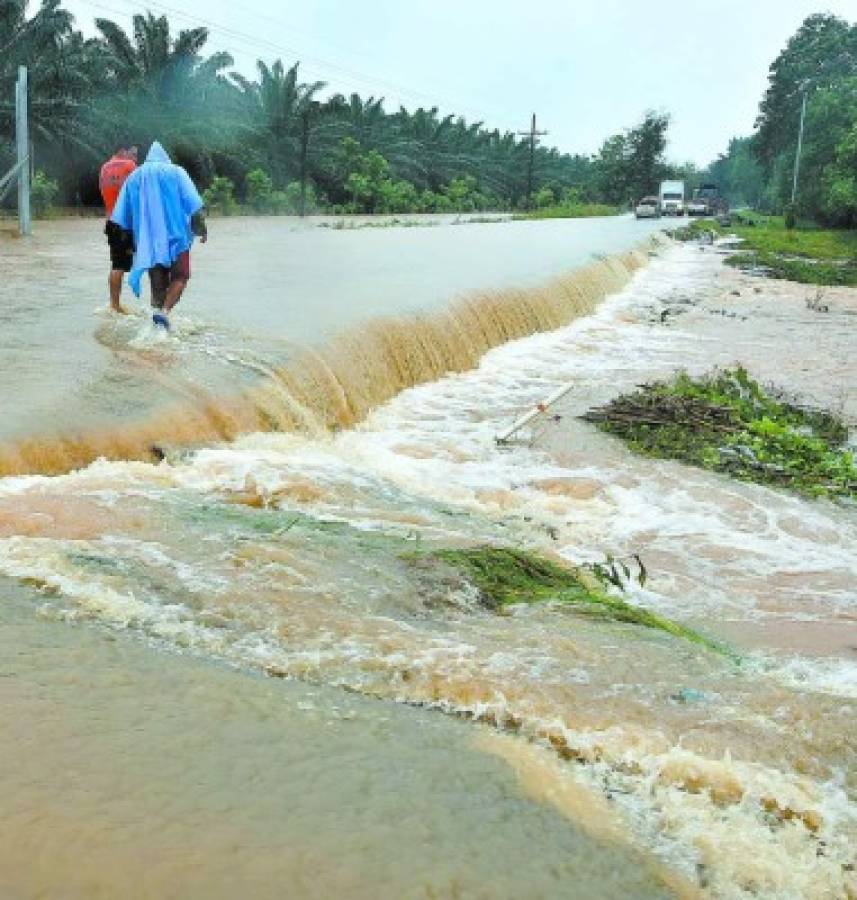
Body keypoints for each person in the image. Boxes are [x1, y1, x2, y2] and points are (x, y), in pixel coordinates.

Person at [110, 141, 208, 329]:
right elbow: (194, 204)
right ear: (165, 157)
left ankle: (155, 328)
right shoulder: (177, 172)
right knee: (181, 277)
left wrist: (129, 242)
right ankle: (164, 313)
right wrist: (202, 229)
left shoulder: (135, 177)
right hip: (177, 238)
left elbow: (123, 214)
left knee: (158, 286)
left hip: (149, 242)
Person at [99, 142, 138, 313]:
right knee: (124, 266)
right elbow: (140, 191)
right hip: (126, 223)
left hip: (111, 222)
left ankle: (114, 304)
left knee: (116, 265)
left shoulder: (104, 167)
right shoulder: (129, 165)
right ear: (123, 150)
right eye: (134, 154)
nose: (136, 159)